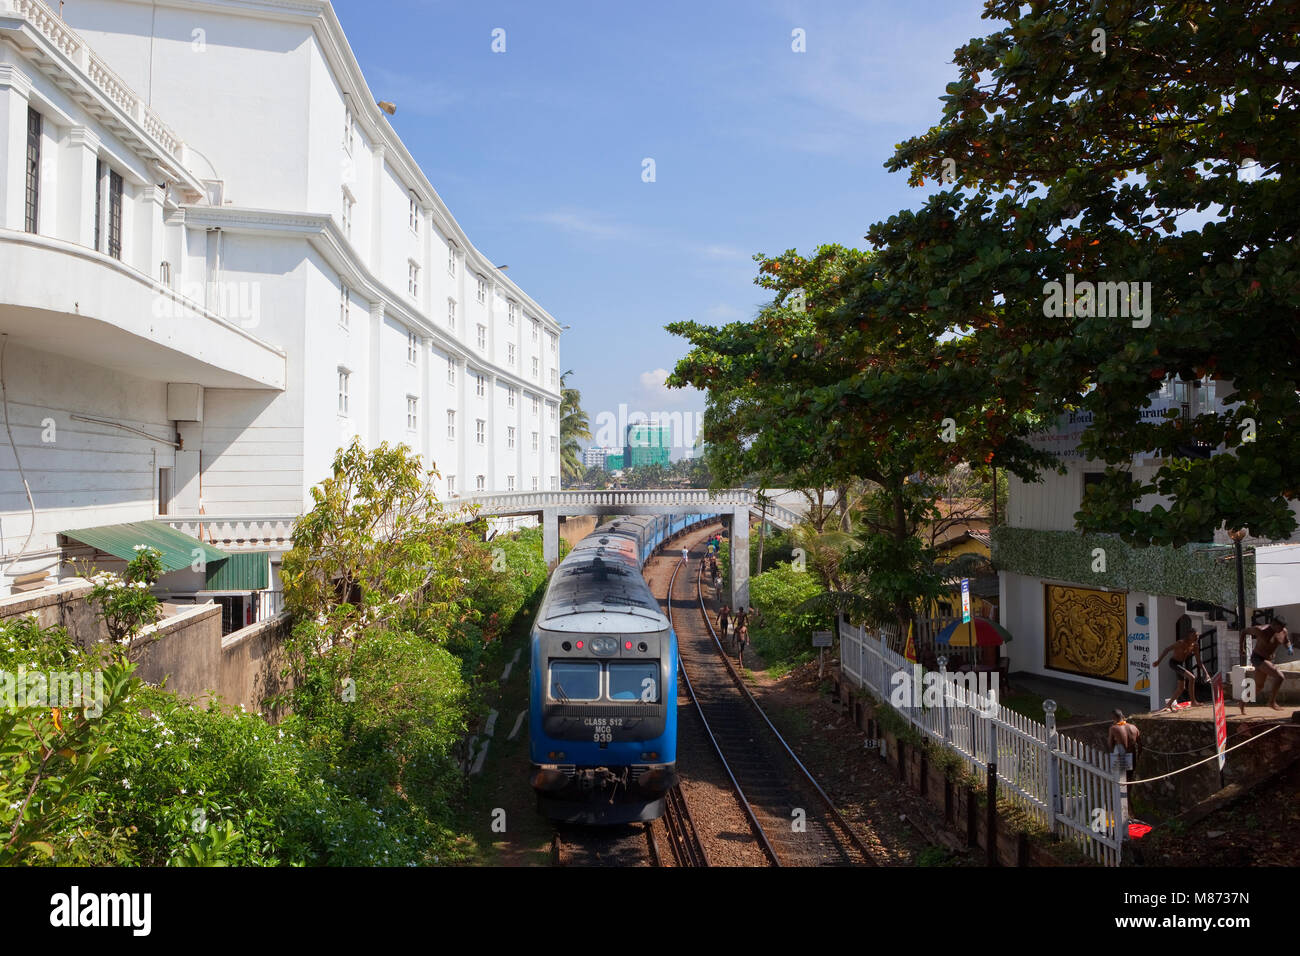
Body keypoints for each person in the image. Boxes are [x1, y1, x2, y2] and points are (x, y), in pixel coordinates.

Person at [1240, 620, 1291, 712]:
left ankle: (1242, 702)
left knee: (1259, 686)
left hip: (1268, 659)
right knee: (1280, 677)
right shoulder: (1260, 630)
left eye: (1283, 627)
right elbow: (1244, 631)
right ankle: (1271, 702)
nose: (1281, 629)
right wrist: (1241, 648)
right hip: (1258, 658)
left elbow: (1286, 641)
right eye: (1279, 627)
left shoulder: (1283, 631)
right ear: (1273, 625)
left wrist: (1289, 648)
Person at [1153, 630, 1210, 711]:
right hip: (1173, 663)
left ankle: (1169, 704)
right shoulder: (1181, 643)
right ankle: (1193, 702)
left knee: (1181, 688)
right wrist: (1158, 661)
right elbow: (1167, 649)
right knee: (1192, 678)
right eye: (1194, 635)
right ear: (1189, 636)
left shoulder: (1195, 646)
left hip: (1180, 664)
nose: (1196, 637)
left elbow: (1199, 662)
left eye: (1197, 636)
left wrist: (1206, 673)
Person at [1108, 709, 1142, 781]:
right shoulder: (1134, 727)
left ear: (1113, 718)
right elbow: (1140, 745)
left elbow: (1110, 745)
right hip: (1132, 757)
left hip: (1120, 757)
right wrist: (1138, 757)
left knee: (1119, 782)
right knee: (1129, 780)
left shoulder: (1113, 728)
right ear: (1123, 716)